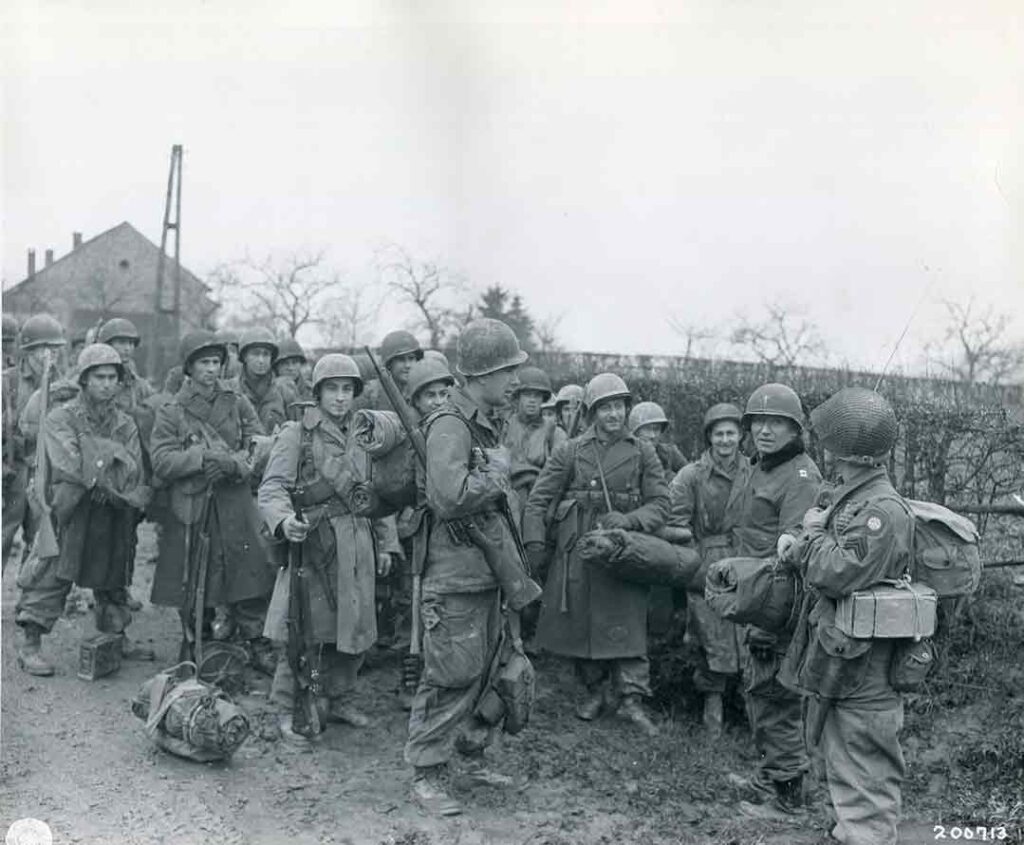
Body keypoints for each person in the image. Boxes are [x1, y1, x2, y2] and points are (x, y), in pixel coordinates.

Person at [404, 318, 529, 817]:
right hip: (454, 576)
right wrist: (496, 478)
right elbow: (448, 495)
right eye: (507, 371)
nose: (515, 381)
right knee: (450, 675)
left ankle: (465, 755)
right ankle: (426, 773)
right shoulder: (451, 425)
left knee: (488, 670)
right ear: (481, 376)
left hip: (485, 572)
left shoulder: (485, 420)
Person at [778, 387, 910, 845]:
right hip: (842, 654)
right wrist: (802, 537)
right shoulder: (851, 496)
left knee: (864, 764)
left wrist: (810, 541)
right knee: (840, 754)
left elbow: (838, 572)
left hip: (866, 670)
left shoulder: (881, 511)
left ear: (840, 448)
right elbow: (823, 532)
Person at [259, 353, 401, 744]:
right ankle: (285, 707)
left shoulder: (367, 432)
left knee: (354, 627)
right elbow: (272, 488)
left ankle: (338, 698)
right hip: (315, 543)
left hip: (358, 539)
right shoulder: (297, 434)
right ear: (317, 392)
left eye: (346, 390)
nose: (340, 398)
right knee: (303, 628)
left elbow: (376, 493)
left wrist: (387, 543)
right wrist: (285, 520)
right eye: (331, 389)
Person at [524, 373, 669, 736]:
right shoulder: (570, 450)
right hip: (579, 547)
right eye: (605, 407)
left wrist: (630, 519)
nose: (614, 414)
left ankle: (632, 700)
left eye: (619, 406)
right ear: (592, 412)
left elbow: (661, 504)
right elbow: (540, 499)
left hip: (623, 547)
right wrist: (535, 543)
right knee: (581, 622)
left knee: (628, 622)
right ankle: (595, 692)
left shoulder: (642, 451)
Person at [14, 344, 154, 675]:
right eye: (98, 377)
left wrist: (106, 466)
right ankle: (30, 643)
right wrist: (110, 461)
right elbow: (70, 464)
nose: (106, 384)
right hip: (70, 507)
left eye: (112, 377)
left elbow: (133, 469)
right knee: (52, 574)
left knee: (112, 574)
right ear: (84, 380)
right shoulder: (61, 417)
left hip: (111, 508)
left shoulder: (125, 423)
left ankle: (116, 634)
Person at [149, 330, 276, 674]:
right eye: (203, 362)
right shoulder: (171, 410)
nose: (211, 369)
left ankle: (256, 640)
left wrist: (235, 464)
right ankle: (196, 639)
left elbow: (260, 443)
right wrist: (202, 458)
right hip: (193, 504)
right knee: (192, 576)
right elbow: (161, 460)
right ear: (188, 367)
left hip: (234, 499)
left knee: (249, 570)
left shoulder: (236, 401)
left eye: (216, 362)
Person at [726, 383, 822, 819]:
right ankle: (772, 775)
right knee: (759, 693)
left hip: (777, 606)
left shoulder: (800, 476)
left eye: (775, 422)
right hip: (754, 596)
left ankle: (789, 798)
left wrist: (768, 620)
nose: (764, 430)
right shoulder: (761, 467)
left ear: (794, 429)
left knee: (775, 696)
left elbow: (794, 558)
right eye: (757, 422)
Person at [667, 403, 751, 735]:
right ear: (709, 437)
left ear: (741, 437)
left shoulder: (755, 472)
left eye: (731, 433)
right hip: (708, 564)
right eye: (719, 434)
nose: (726, 440)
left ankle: (752, 718)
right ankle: (712, 719)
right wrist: (695, 564)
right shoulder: (691, 475)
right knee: (711, 639)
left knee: (749, 636)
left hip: (747, 564)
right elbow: (675, 521)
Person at [2, 314, 67, 569]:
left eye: (55, 348)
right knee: (4, 535)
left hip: (47, 473)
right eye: (43, 348)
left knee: (40, 539)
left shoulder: (63, 386)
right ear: (28, 351)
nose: (49, 355)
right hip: (12, 471)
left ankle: (28, 605)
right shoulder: (7, 382)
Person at [502, 366, 567, 528]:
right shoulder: (503, 428)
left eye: (537, 395)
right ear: (517, 398)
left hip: (539, 504)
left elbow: (560, 474)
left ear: (543, 399)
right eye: (527, 395)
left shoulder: (554, 432)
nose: (532, 400)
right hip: (505, 501)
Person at [229, 327, 289, 434]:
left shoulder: (284, 391)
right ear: (244, 357)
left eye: (266, 354)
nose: (261, 360)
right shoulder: (231, 390)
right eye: (255, 354)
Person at [628, 401, 687, 475]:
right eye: (647, 429)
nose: (652, 435)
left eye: (656, 429)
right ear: (635, 432)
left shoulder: (670, 453)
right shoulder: (626, 458)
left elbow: (691, 477)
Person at [273, 337, 313, 420]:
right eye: (285, 363)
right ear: (276, 366)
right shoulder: (269, 391)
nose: (290, 368)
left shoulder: (312, 391)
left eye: (294, 362)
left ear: (300, 364)